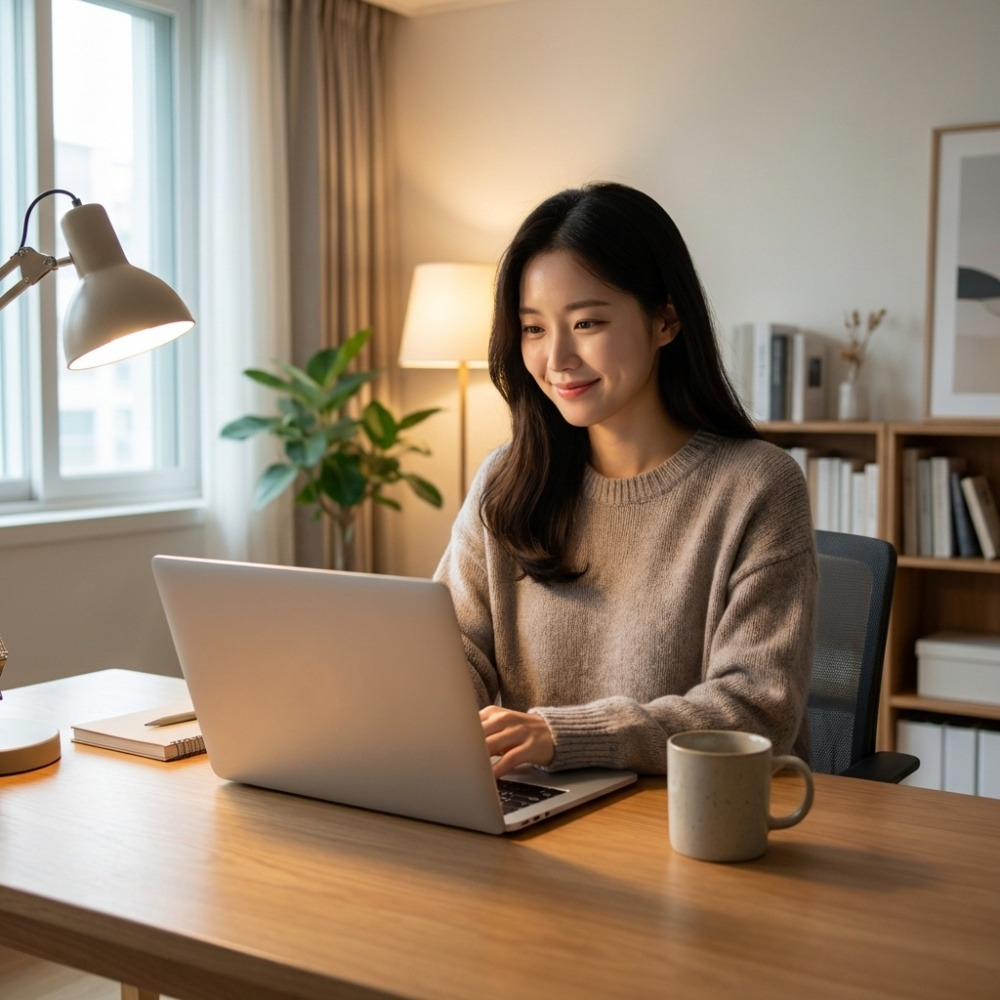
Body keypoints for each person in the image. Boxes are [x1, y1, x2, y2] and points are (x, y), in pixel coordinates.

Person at [433, 182, 817, 778]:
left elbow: (756, 708)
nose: (556, 358)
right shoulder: (504, 483)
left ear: (666, 319)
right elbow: (451, 651)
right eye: (533, 328)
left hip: (694, 820)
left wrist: (564, 734)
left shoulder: (757, 486)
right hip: (535, 812)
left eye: (585, 322)